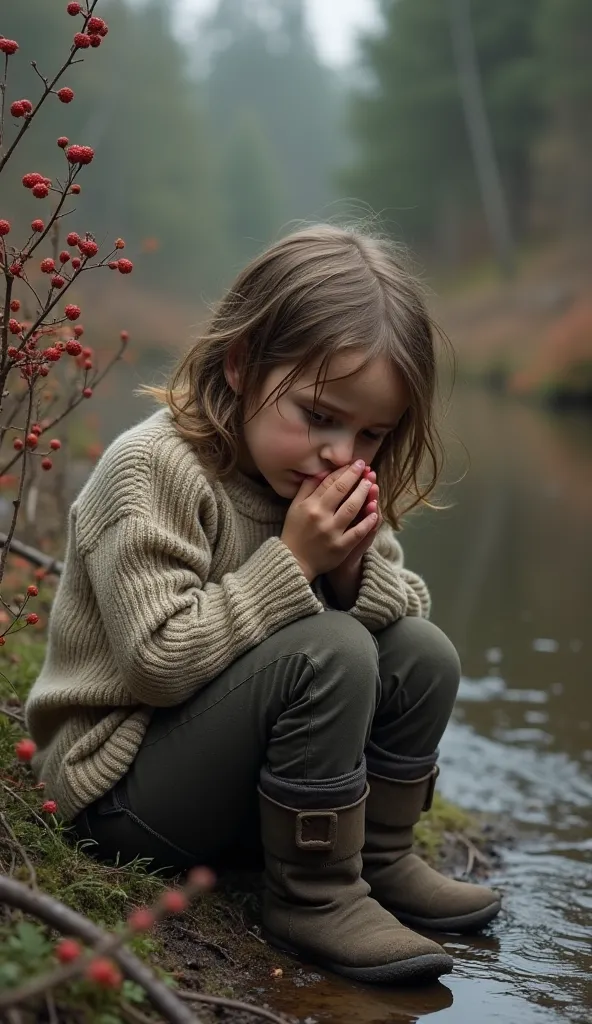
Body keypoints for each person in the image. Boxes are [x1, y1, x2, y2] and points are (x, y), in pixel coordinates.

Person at [25, 225, 501, 986]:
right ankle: (313, 896)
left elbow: (403, 603)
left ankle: (377, 856)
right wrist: (294, 563)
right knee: (333, 650)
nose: (342, 453)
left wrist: (344, 569)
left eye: (371, 433)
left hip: (226, 780)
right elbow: (157, 665)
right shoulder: (152, 468)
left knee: (422, 651)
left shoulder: (320, 480)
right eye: (318, 415)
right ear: (242, 365)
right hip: (118, 788)